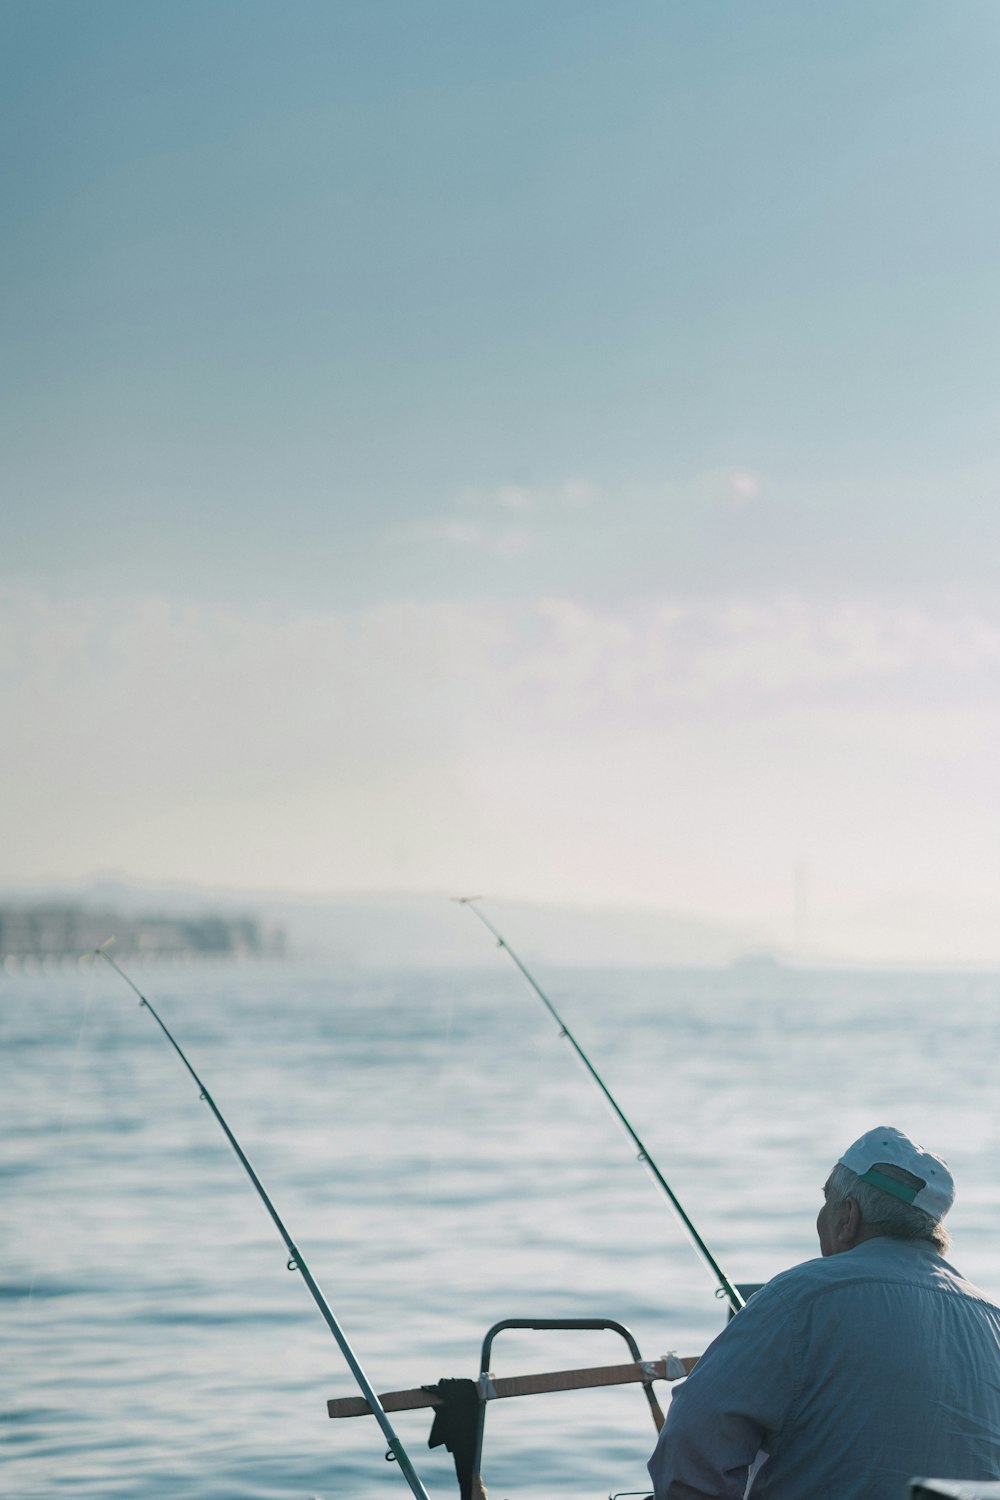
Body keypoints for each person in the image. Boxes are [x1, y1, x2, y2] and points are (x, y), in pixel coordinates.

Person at [647, 1126, 1000, 1500]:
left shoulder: (799, 1298)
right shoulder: (992, 1319)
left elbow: (693, 1444)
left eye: (827, 1200)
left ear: (849, 1216)